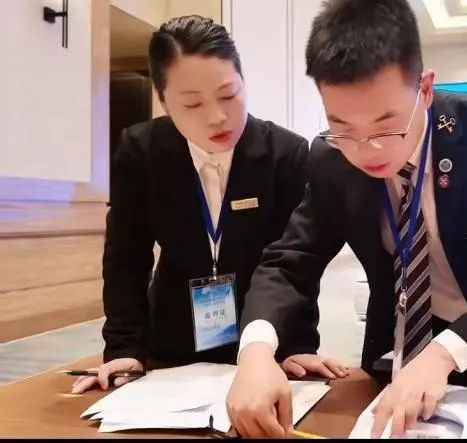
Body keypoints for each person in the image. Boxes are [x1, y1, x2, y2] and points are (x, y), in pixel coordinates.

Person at [225, 0, 467, 438]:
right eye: (343, 127)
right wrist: (255, 352)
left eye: (386, 127)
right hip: (403, 358)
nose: (366, 150)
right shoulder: (331, 159)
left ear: (425, 88)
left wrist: (443, 355)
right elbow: (289, 262)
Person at [71, 16, 347, 394]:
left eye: (228, 95)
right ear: (163, 101)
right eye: (192, 103)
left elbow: (295, 262)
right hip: (172, 341)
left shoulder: (286, 154)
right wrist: (124, 348)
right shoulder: (142, 152)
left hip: (265, 341)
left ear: (243, 81)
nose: (217, 116)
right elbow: (125, 258)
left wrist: (296, 344)